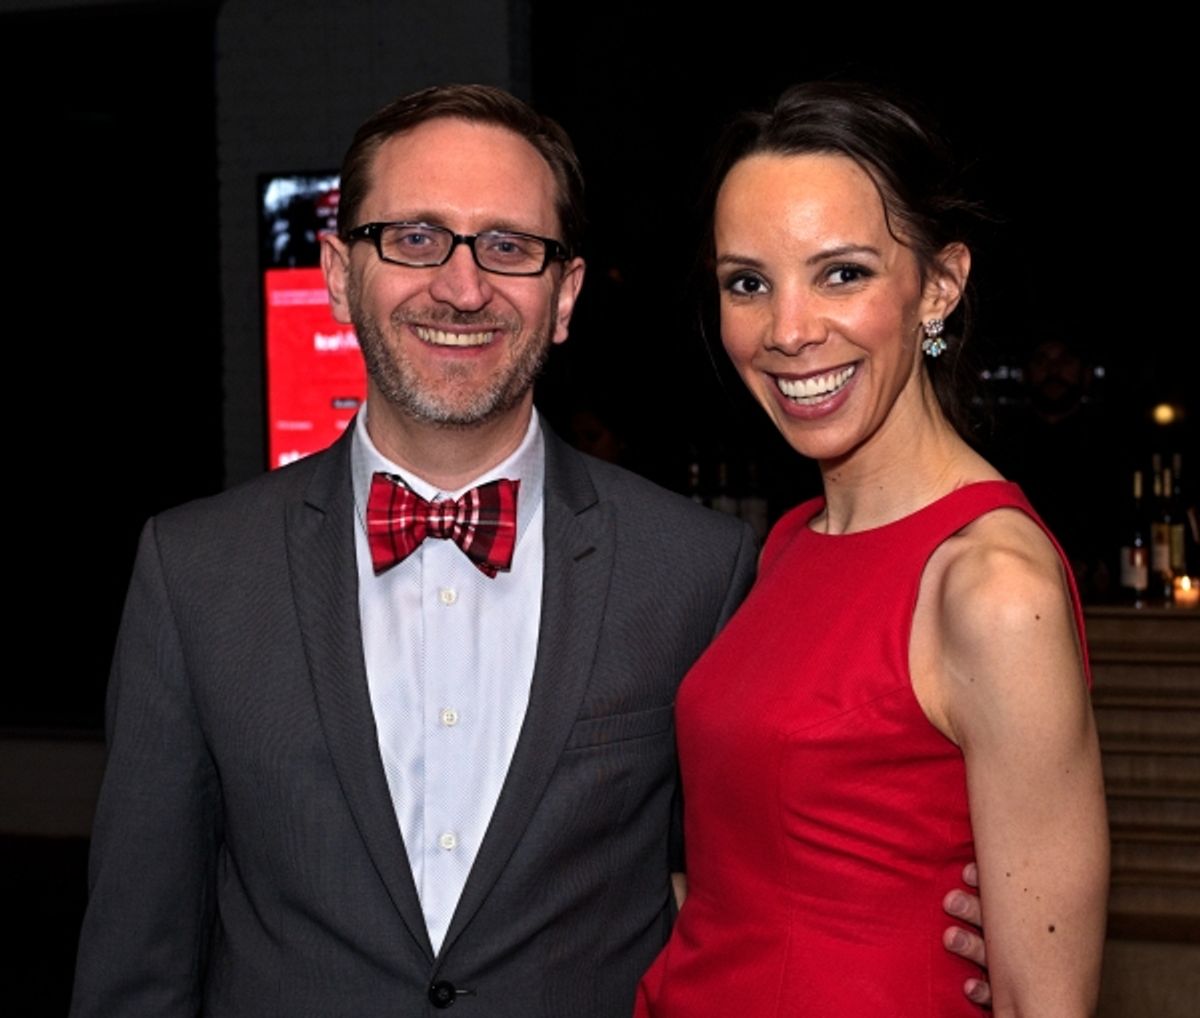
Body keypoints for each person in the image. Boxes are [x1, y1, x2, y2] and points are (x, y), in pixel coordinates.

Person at [70, 84, 987, 1018]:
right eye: (415, 238)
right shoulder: (195, 573)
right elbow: (137, 963)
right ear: (341, 274)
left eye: (509, 246)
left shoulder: (698, 571)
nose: (463, 288)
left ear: (565, 295)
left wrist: (951, 919)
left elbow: (757, 882)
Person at [636, 82, 1109, 1017]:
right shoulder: (789, 543)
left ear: (939, 284)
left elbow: (1046, 1003)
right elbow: (752, 877)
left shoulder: (992, 585)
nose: (789, 331)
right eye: (748, 283)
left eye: (842, 274)